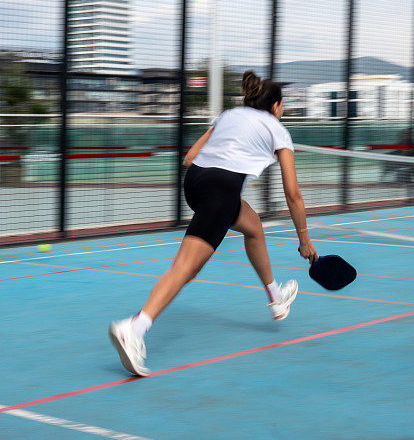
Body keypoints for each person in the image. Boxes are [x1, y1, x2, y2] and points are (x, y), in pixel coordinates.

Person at [109, 71, 318, 376]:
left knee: (253, 227)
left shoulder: (229, 114)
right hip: (221, 191)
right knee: (185, 268)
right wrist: (304, 238)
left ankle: (276, 298)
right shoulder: (278, 129)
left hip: (195, 182)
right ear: (274, 107)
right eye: (283, 105)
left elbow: (190, 157)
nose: (283, 110)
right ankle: (134, 329)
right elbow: (293, 193)